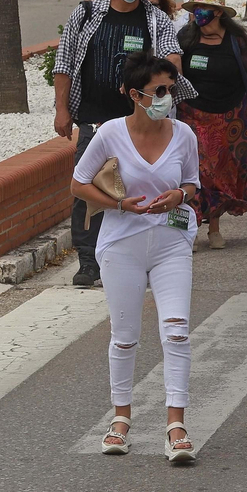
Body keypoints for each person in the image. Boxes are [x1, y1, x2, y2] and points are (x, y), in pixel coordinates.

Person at [70, 53, 200, 462]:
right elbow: (78, 185)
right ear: (133, 94)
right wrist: (124, 207)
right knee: (124, 337)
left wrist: (179, 196)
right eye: (158, 90)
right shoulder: (109, 134)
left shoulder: (183, 135)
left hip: (171, 243)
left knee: (176, 331)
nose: (167, 97)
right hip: (120, 245)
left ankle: (176, 424)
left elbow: (192, 183)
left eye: (171, 89)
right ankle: (121, 419)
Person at [53, 0, 192, 288]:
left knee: (139, 186)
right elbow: (65, 60)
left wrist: (167, 83)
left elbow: (172, 55)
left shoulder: (155, 18)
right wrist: (61, 109)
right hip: (95, 119)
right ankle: (88, 261)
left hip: (140, 120)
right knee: (89, 188)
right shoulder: (87, 14)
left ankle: (139, 253)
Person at [175, 0, 247, 251]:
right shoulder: (184, 39)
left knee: (220, 175)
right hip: (191, 115)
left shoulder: (238, 42)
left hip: (227, 117)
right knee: (193, 173)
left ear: (220, 14)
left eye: (207, 14)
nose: (201, 19)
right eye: (197, 13)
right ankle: (185, 231)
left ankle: (214, 227)